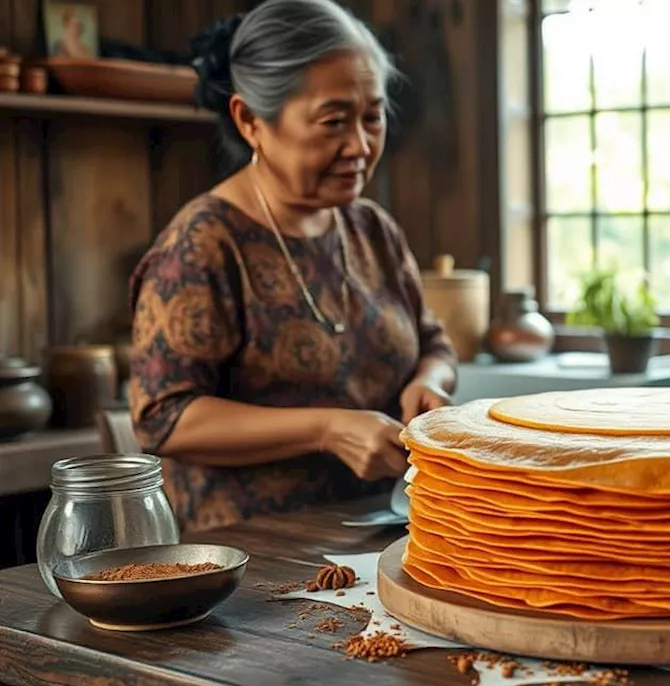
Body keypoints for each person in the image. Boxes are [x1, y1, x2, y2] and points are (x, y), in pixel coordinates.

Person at [127, 0, 458, 532]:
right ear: (250, 120)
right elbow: (163, 419)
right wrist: (326, 430)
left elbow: (434, 343)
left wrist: (429, 383)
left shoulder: (372, 230)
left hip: (386, 528)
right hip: (252, 558)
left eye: (372, 117)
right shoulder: (204, 244)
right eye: (333, 122)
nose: (360, 145)